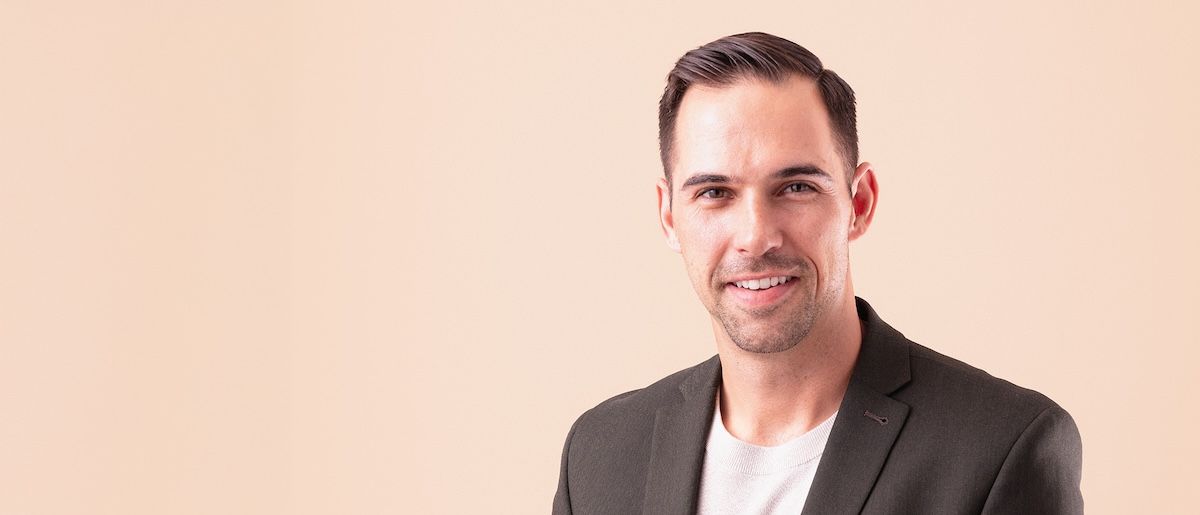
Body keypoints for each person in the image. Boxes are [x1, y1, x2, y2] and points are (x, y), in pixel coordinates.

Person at [552, 32, 1083, 515]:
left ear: (860, 202)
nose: (756, 236)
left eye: (796, 188)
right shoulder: (600, 454)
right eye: (714, 193)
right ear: (670, 217)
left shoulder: (1002, 448)